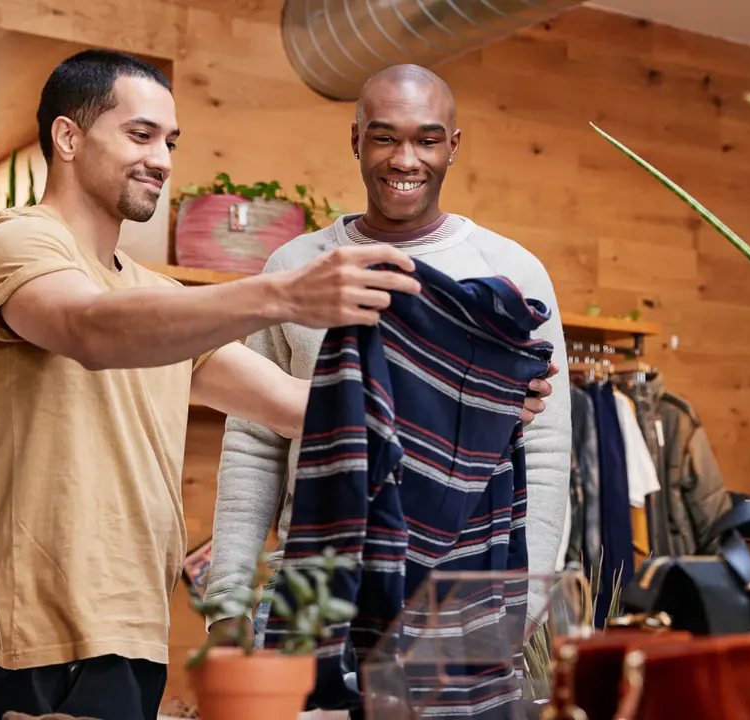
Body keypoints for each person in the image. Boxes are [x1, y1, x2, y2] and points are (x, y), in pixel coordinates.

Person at [0, 50, 428, 720]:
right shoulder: (13, 242)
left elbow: (300, 409)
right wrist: (279, 295)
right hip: (41, 641)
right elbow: (89, 327)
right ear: (68, 137)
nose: (163, 159)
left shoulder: (154, 298)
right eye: (140, 135)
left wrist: (474, 400)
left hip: (136, 633)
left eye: (170, 142)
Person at [205, 63, 572, 649]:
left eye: (427, 140)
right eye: (385, 137)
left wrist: (523, 607)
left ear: (453, 147)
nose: (406, 160)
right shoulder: (296, 269)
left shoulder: (511, 274)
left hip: (462, 591)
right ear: (356, 140)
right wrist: (227, 601)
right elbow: (254, 440)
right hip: (314, 582)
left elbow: (548, 450)